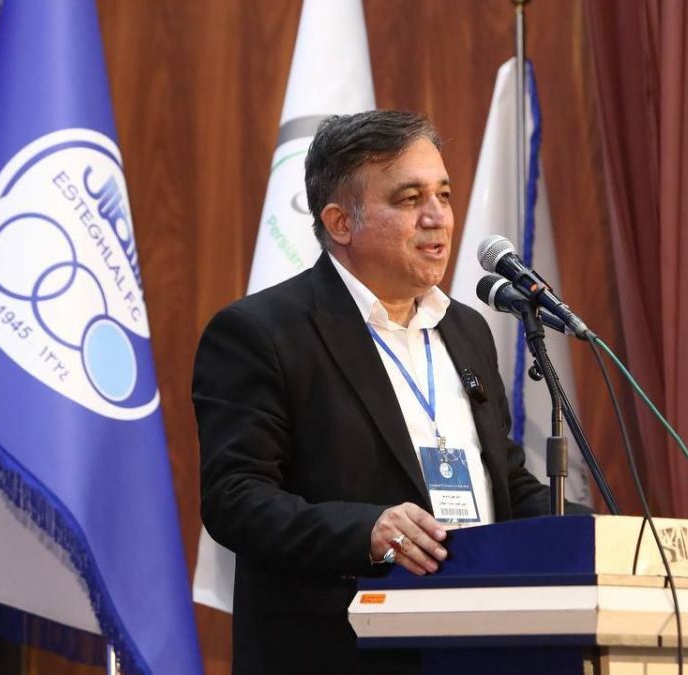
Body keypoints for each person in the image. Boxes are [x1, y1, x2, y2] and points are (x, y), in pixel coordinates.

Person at [193, 110, 591, 675]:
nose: (437, 218)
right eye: (409, 199)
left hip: (483, 644)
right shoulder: (263, 333)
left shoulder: (466, 329)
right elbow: (236, 499)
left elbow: (503, 480)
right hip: (341, 653)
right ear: (340, 222)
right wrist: (367, 532)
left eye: (443, 195)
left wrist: (599, 536)